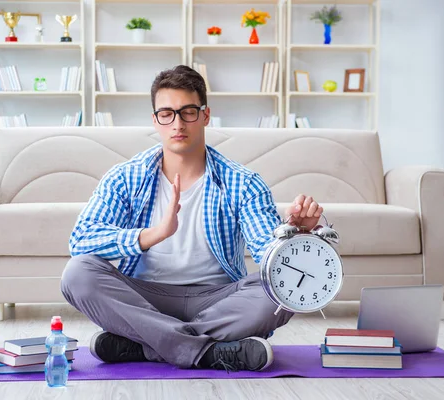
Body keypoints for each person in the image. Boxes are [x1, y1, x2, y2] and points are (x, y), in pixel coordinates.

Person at [61, 65, 323, 372]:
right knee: (78, 273)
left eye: (188, 112)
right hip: (146, 298)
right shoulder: (125, 177)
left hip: (218, 300)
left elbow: (267, 251)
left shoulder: (243, 182)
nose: (177, 123)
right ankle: (212, 352)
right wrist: (153, 234)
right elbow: (80, 242)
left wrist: (295, 235)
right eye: (166, 114)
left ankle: (148, 345)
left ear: (205, 115)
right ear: (155, 120)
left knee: (285, 283)